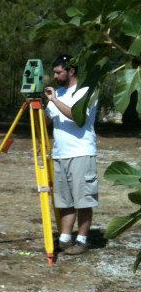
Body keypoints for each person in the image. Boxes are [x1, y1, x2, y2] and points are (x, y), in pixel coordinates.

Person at [43, 53, 99, 255]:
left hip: (81, 152)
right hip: (60, 154)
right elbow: (47, 121)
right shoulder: (58, 93)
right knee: (64, 201)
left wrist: (54, 100)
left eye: (58, 72)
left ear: (71, 71)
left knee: (83, 200)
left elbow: (77, 117)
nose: (55, 76)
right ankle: (65, 239)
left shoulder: (86, 91)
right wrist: (39, 105)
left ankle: (82, 241)